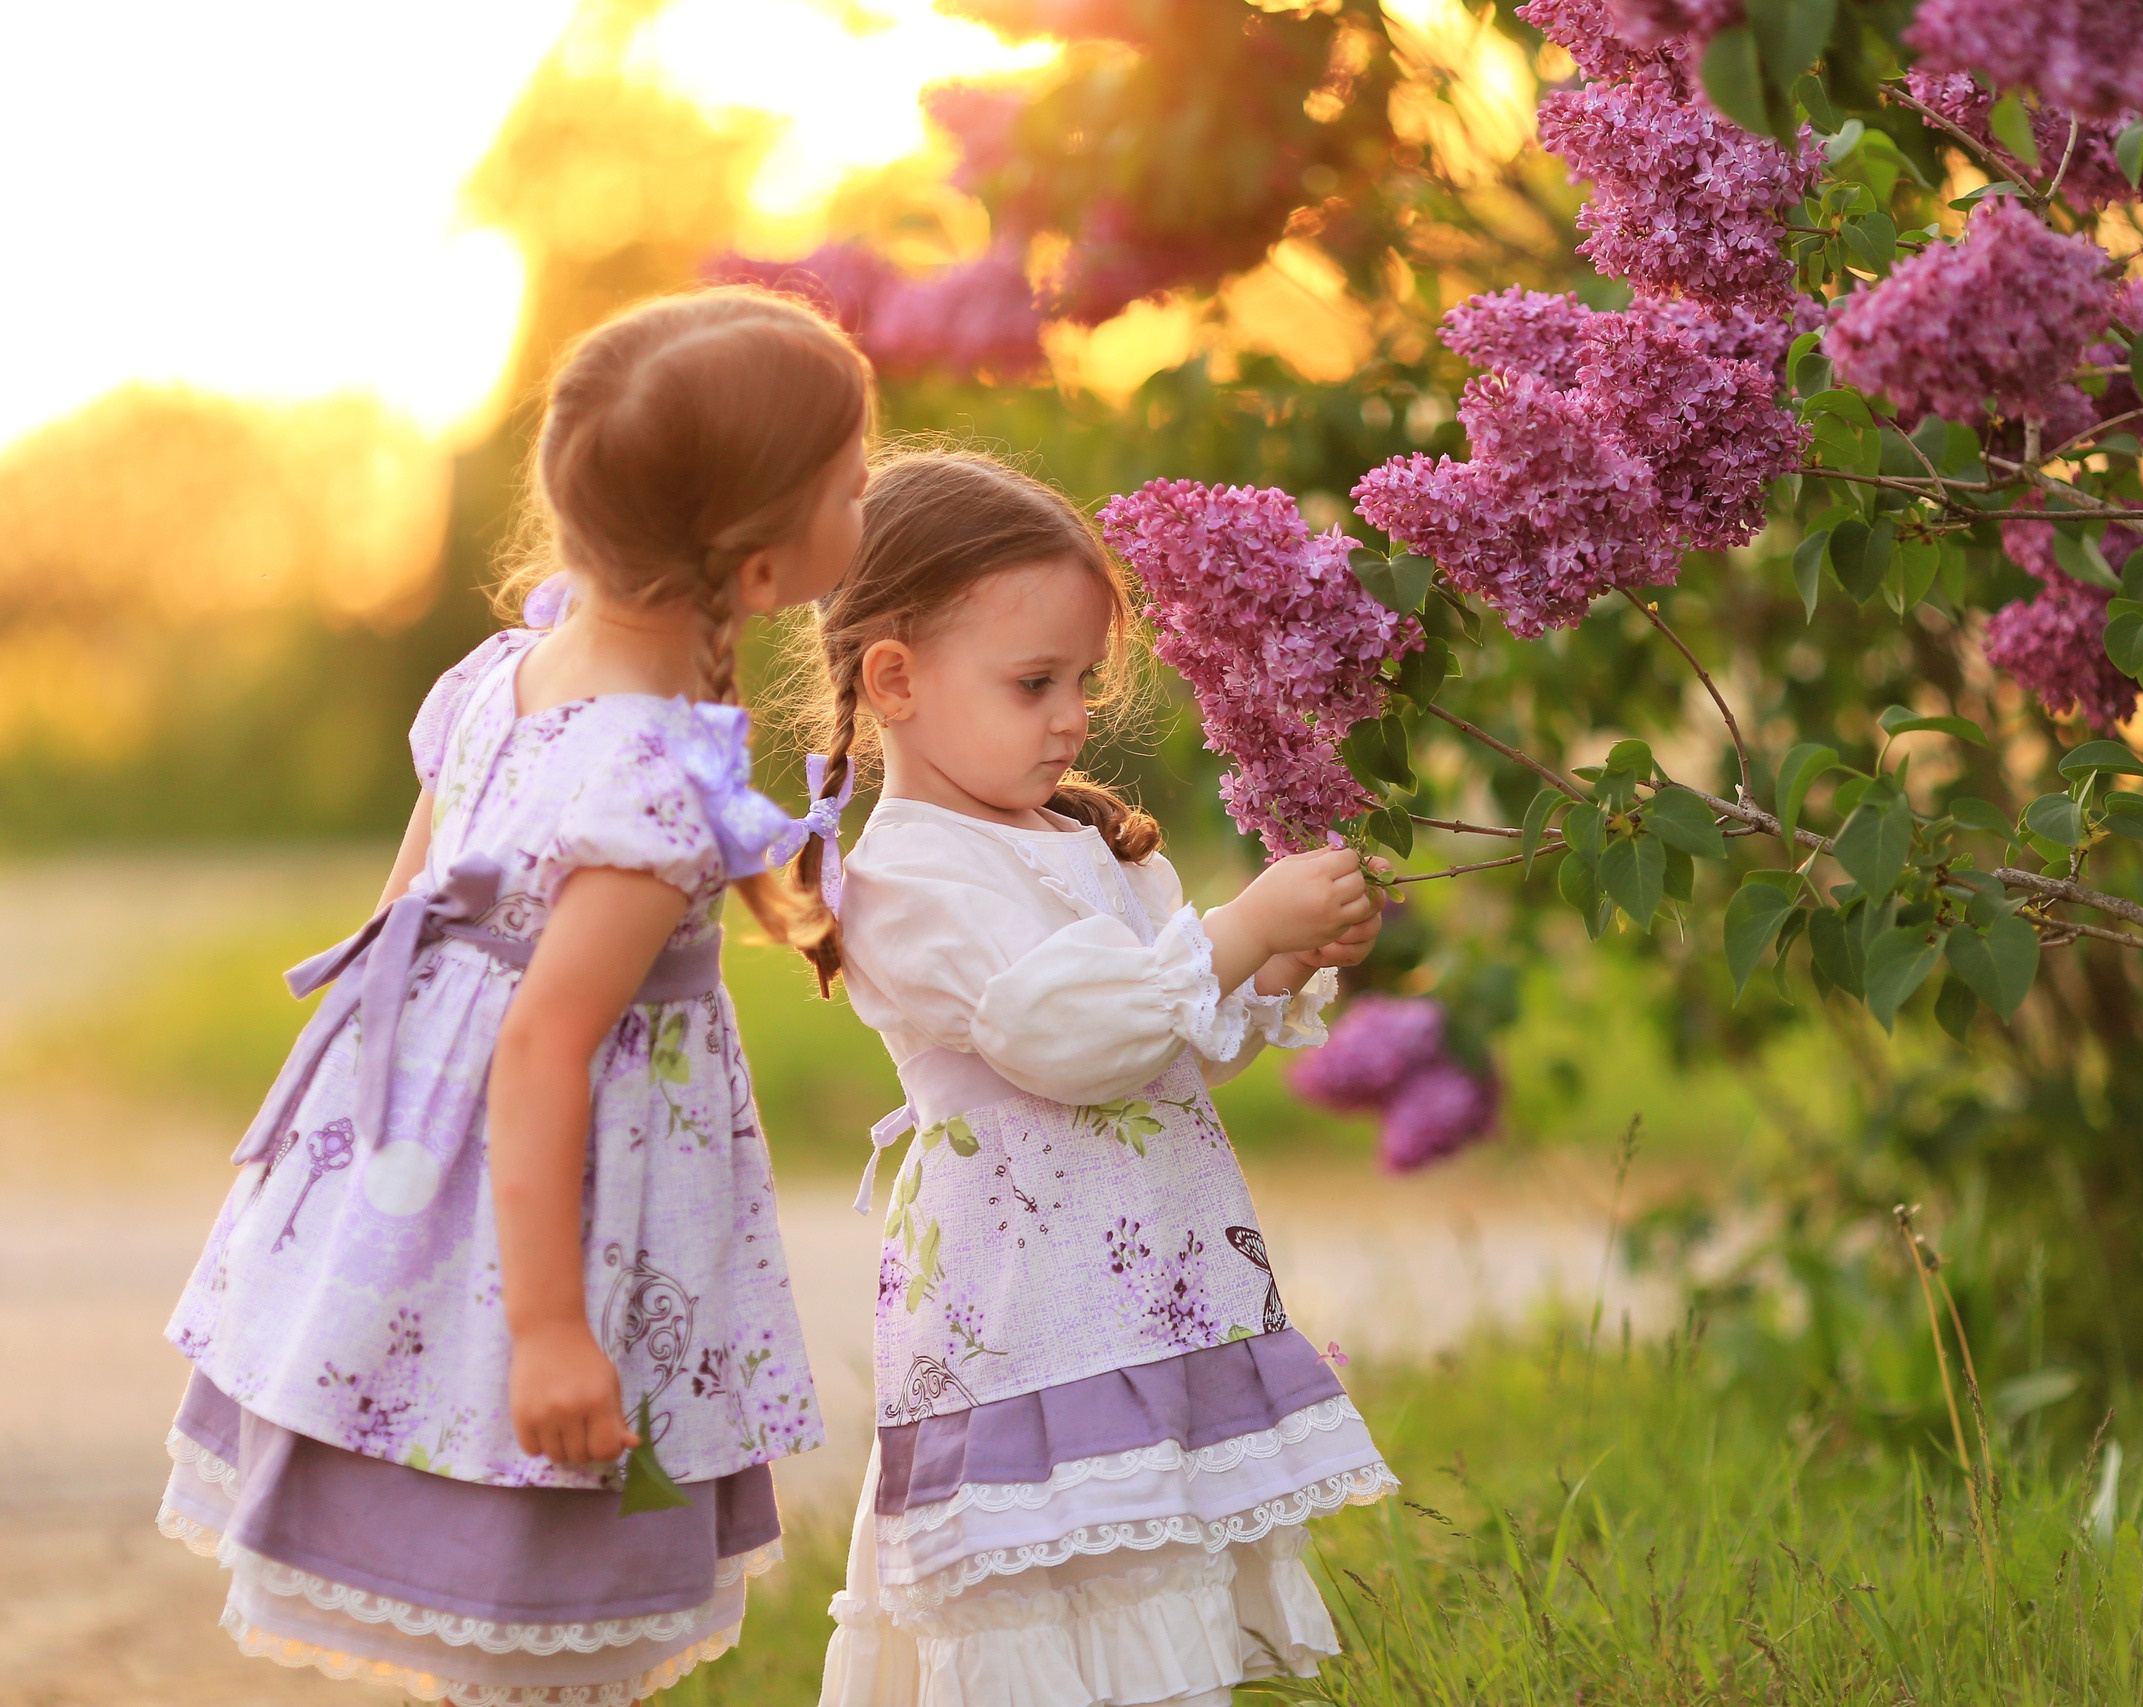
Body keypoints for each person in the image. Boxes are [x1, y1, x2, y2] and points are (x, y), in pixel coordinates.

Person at [159, 288, 868, 1705]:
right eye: (853, 483)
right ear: (766, 564)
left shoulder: (507, 674)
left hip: (427, 1188)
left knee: (510, 1636)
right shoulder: (652, 776)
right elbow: (541, 1042)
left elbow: (399, 930)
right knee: (538, 1603)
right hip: (551, 1227)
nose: (869, 497)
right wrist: (548, 1327)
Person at [796, 450, 1399, 1707]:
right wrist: (1233, 932)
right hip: (1031, 1324)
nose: (1070, 716)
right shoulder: (905, 878)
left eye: (1081, 680)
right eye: (1033, 683)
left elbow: (1171, 1050)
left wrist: (1276, 963)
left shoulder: (1087, 847)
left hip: (1148, 1302)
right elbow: (1061, 1039)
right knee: (1046, 1618)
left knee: (1156, 1607)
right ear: (893, 680)